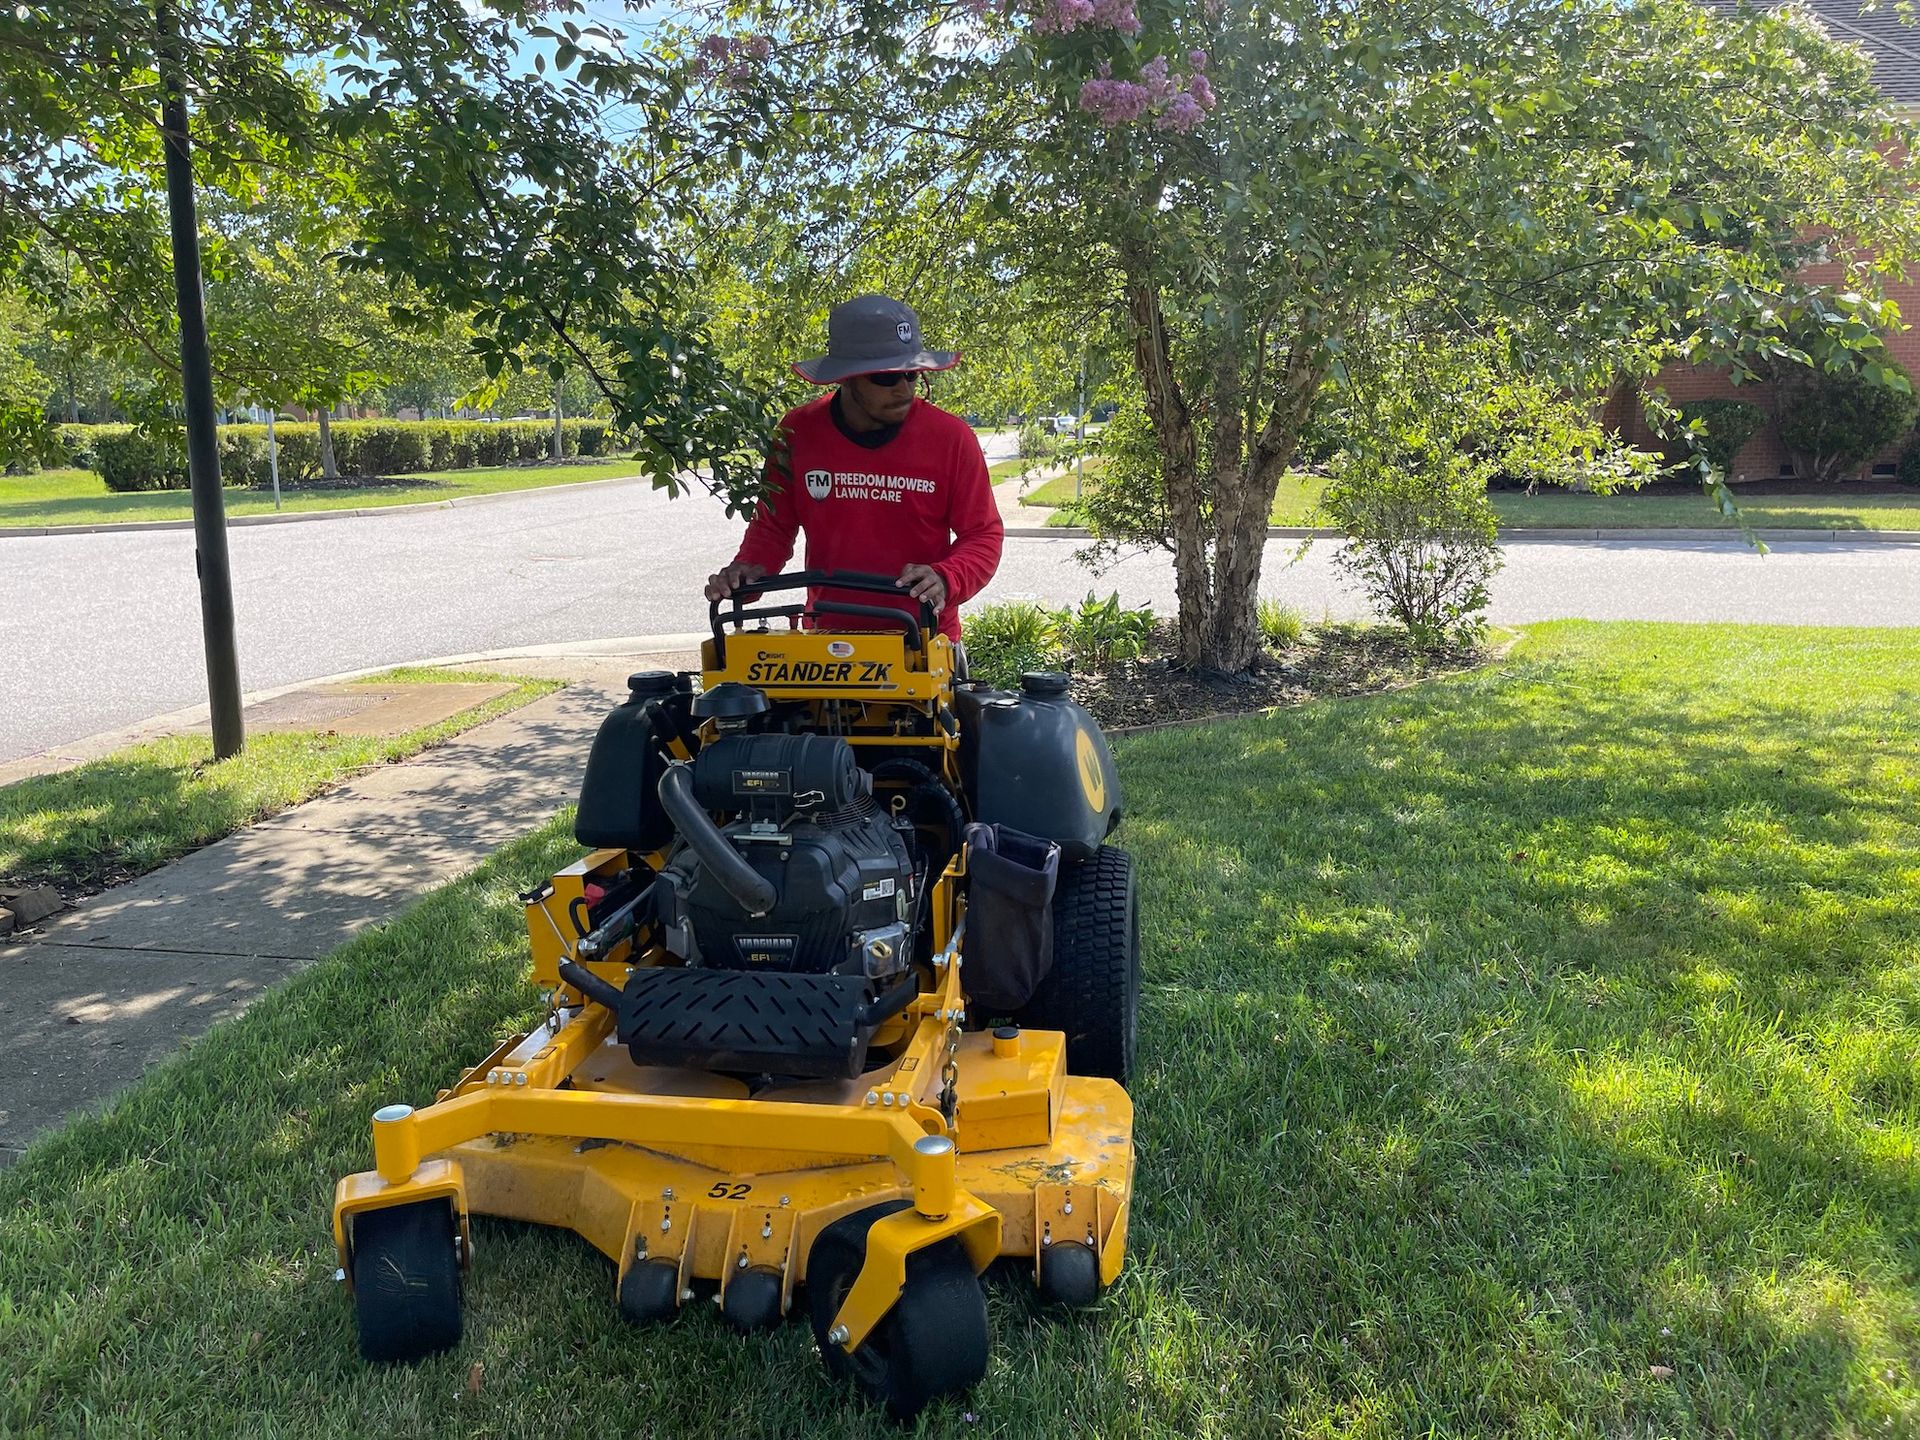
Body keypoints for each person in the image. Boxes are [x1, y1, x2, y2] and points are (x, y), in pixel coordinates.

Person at [704, 294, 1003, 645]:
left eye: (912, 373)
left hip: (925, 643)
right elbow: (773, 528)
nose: (904, 388)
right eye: (885, 378)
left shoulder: (952, 438)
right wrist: (749, 571)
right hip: (828, 643)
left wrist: (945, 577)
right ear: (846, 377)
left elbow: (983, 535)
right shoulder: (798, 433)